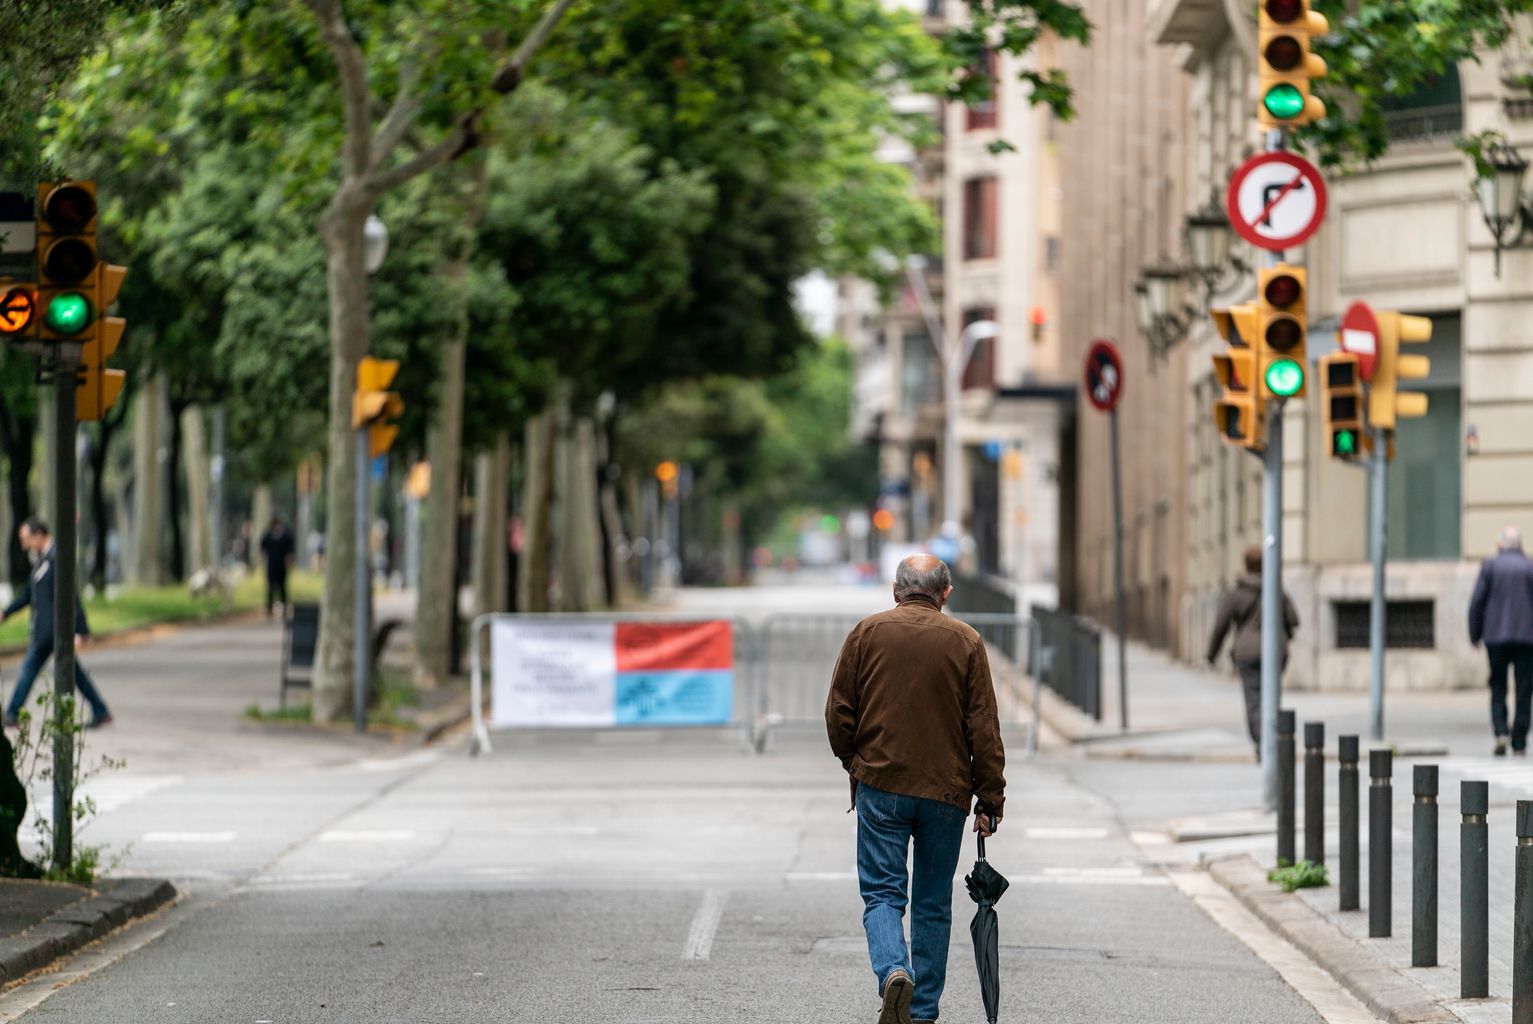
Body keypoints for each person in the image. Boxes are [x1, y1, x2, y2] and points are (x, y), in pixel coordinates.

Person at [825, 554, 1005, 1024]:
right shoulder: (966, 641)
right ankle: (922, 1011)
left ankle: (892, 972)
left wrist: (856, 764)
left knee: (883, 894)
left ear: (895, 590)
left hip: (880, 785)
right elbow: (983, 728)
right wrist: (990, 798)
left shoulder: (867, 633)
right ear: (946, 593)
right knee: (931, 902)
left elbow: (838, 712)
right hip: (946, 795)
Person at [2, 518, 111, 730]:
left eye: (26, 539)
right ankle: (100, 709)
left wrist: (81, 630)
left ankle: (11, 713)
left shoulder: (57, 559)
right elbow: (28, 594)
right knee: (74, 673)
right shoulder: (42, 561)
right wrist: (6, 612)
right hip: (47, 630)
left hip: (51, 631)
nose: (24, 545)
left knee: (29, 669)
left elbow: (71, 596)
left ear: (39, 535)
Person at [1206, 544, 1299, 758]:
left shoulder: (1237, 593)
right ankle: (1273, 740)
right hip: (1276, 651)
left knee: (1253, 700)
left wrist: (1211, 655)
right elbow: (1294, 619)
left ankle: (1262, 742)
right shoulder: (1277, 591)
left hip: (1247, 652)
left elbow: (1221, 626)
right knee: (1272, 697)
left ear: (1246, 565)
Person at [1468, 526, 1533, 756]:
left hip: (1496, 637)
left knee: (1498, 686)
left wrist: (1474, 635)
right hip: (1526, 638)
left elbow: (1477, 602)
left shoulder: (1490, 565)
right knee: (1524, 689)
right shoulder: (1529, 566)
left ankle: (1501, 732)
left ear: (1500, 545)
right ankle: (1519, 740)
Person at [259, 514, 296, 618]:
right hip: (271, 564)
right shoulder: (268, 535)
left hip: (281, 564)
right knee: (271, 586)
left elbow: (290, 548)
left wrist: (289, 557)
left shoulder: (285, 535)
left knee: (282, 586)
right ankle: (269, 607)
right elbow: (262, 546)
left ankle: (284, 606)